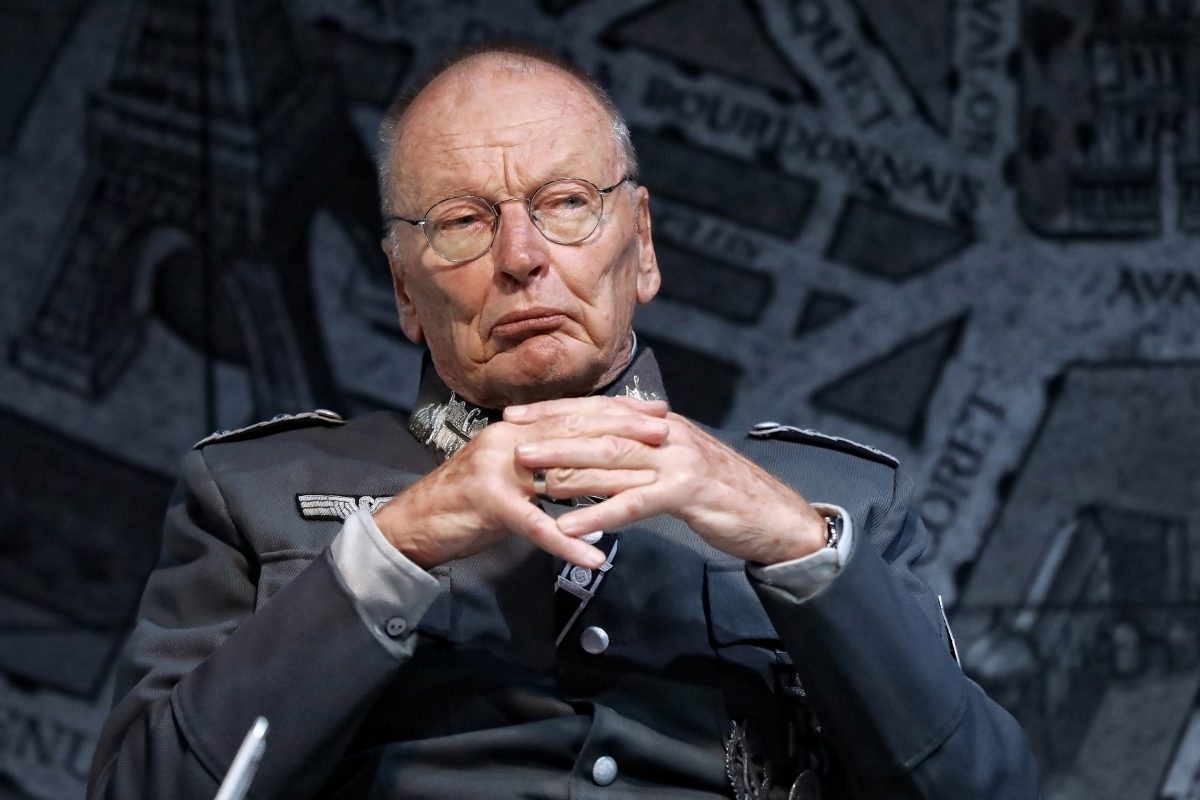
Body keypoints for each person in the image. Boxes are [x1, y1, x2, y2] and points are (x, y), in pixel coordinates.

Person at [88, 43, 1039, 799]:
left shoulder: (835, 503)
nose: (521, 256)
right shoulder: (253, 495)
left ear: (644, 246)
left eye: (567, 204)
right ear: (404, 290)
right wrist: (393, 549)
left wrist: (798, 550)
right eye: (461, 221)